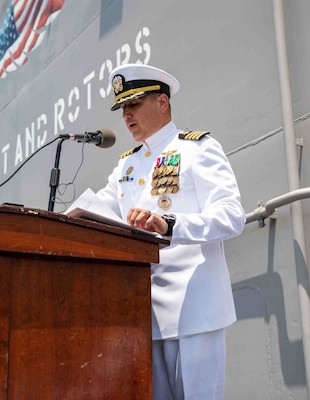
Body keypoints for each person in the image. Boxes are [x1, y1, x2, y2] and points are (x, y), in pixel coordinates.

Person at [89, 63, 245, 399]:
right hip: (145, 314)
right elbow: (98, 212)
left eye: (134, 104)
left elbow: (232, 216)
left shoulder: (196, 149)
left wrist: (171, 224)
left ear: (162, 102)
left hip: (194, 310)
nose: (126, 115)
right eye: (122, 108)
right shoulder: (126, 165)